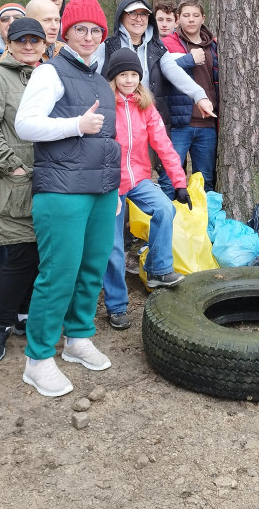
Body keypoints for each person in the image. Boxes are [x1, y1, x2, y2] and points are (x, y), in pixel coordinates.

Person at [14, 0, 121, 397]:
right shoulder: (50, 72)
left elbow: (107, 136)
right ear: (67, 32)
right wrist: (76, 124)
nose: (89, 37)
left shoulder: (99, 78)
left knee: (91, 268)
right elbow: (26, 125)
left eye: (96, 30)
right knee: (58, 273)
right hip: (62, 191)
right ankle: (38, 358)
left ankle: (77, 339)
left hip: (101, 191)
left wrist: (115, 186)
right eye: (81, 29)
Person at [0, 17, 47, 364]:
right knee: (17, 258)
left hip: (49, 182)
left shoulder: (48, 74)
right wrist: (13, 166)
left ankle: (24, 315)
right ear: (9, 42)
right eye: (22, 40)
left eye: (36, 40)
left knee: (37, 256)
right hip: (12, 184)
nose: (29, 46)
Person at [102, 49, 190, 329]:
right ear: (114, 78)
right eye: (123, 75)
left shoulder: (145, 105)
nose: (129, 80)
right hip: (110, 183)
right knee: (113, 246)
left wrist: (179, 182)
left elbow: (163, 144)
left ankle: (158, 269)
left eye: (133, 75)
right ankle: (116, 305)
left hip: (139, 177)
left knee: (164, 209)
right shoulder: (104, 104)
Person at [97, 0, 216, 127]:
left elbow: (175, 72)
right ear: (121, 16)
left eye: (143, 14)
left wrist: (199, 95)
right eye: (132, 13)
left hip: (149, 122)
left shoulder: (157, 48)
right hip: (115, 122)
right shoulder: (107, 47)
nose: (139, 19)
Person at [160, 0, 219, 193]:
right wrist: (188, 59)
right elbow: (159, 72)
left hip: (207, 124)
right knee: (170, 179)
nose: (191, 20)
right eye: (186, 15)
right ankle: (170, 221)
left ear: (203, 18)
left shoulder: (214, 46)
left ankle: (204, 221)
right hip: (179, 123)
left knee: (205, 180)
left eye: (195, 15)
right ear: (178, 19)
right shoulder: (167, 43)